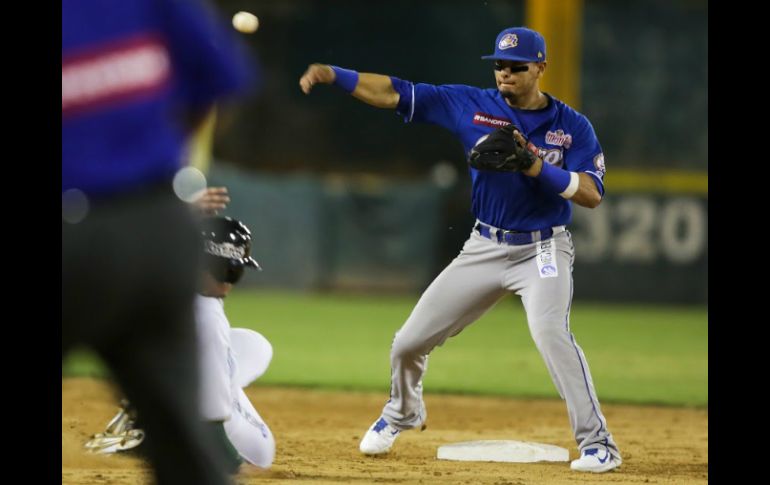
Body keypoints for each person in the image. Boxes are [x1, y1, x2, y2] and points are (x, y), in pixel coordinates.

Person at [299, 26, 621, 473]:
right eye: (499, 65)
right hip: (485, 245)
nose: (505, 73)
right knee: (408, 343)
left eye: (516, 66)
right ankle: (403, 413)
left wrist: (533, 166)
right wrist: (337, 74)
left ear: (541, 68)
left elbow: (591, 193)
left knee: (552, 335)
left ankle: (599, 444)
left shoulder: (571, 127)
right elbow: (395, 92)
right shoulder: (470, 104)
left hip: (543, 249)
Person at [62, 0, 255, 483]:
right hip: (157, 229)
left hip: (76, 232)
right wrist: (145, 166)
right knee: (183, 448)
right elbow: (219, 83)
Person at [86, 215, 276, 471]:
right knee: (262, 450)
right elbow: (213, 427)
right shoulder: (207, 315)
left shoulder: (172, 286)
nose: (225, 282)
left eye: (234, 272)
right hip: (180, 391)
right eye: (220, 270)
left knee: (257, 346)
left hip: (173, 379)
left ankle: (150, 417)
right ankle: (152, 428)